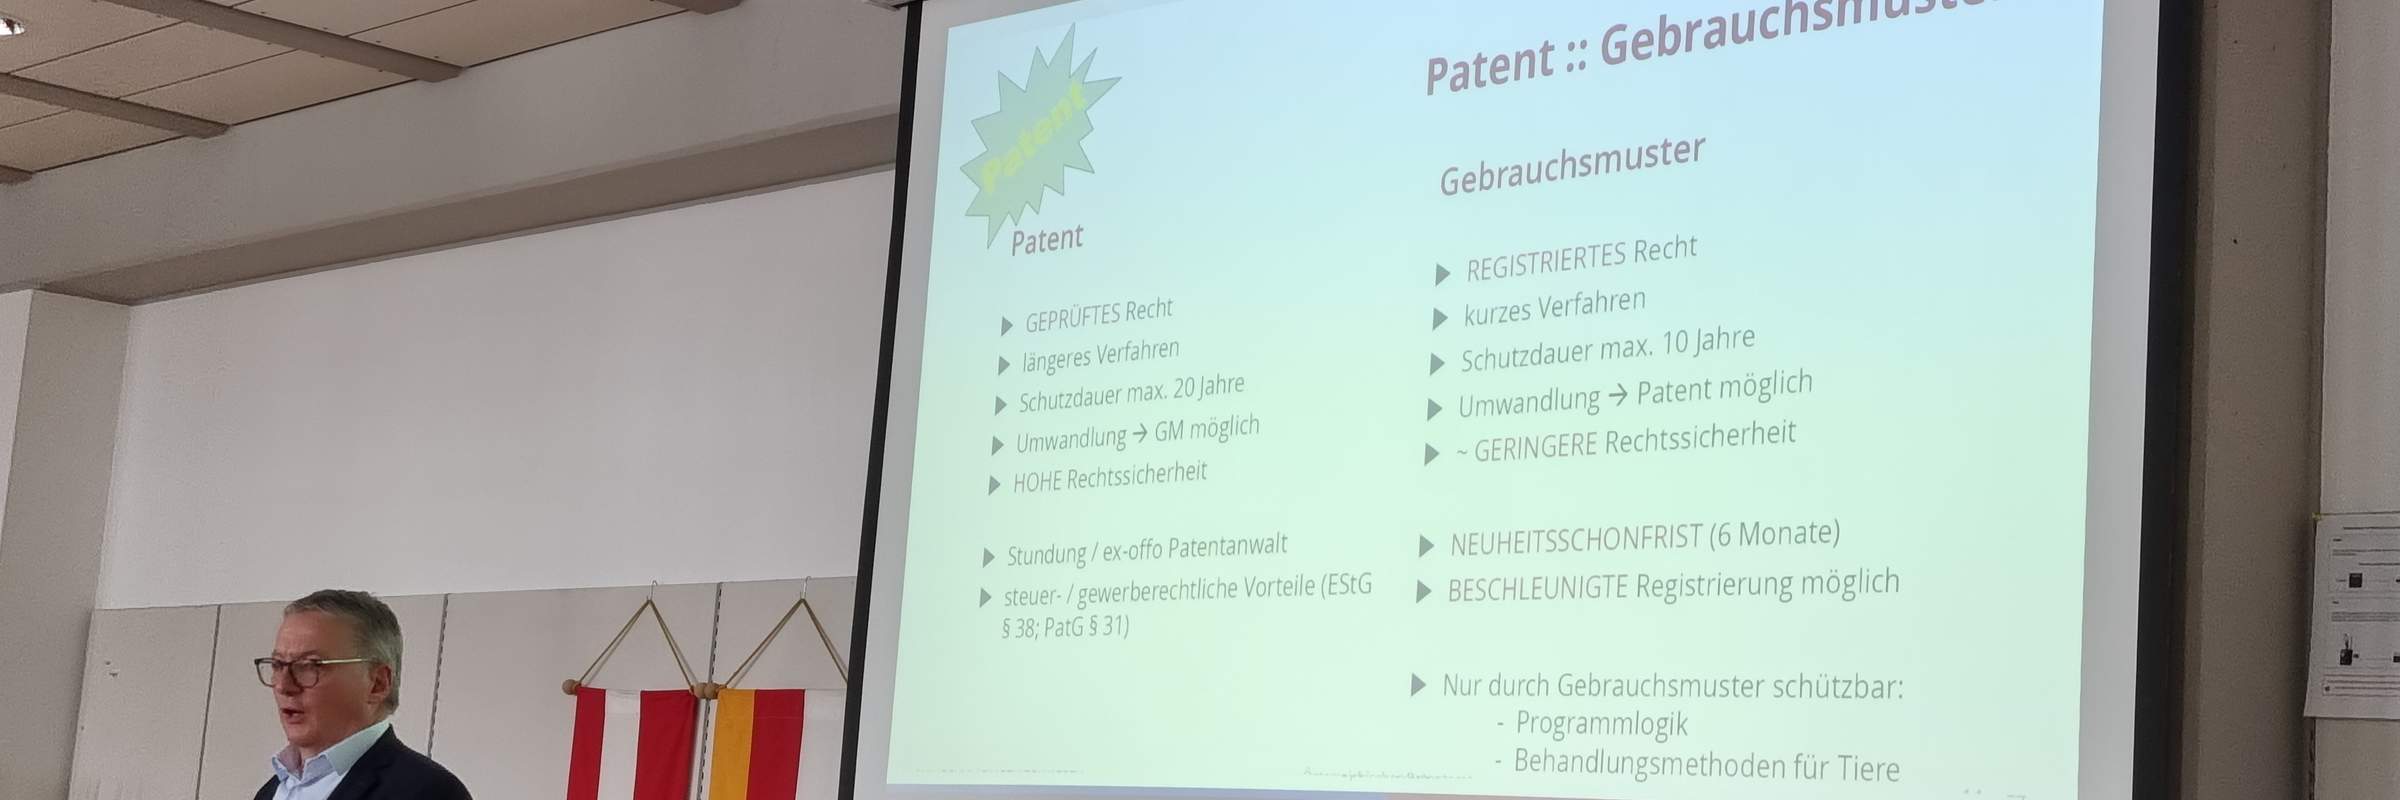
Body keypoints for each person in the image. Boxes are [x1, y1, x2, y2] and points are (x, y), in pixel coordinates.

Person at [253, 589, 471, 800]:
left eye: (310, 665)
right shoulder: (270, 792)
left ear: (377, 683)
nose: (283, 686)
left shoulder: (430, 792)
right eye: (278, 664)